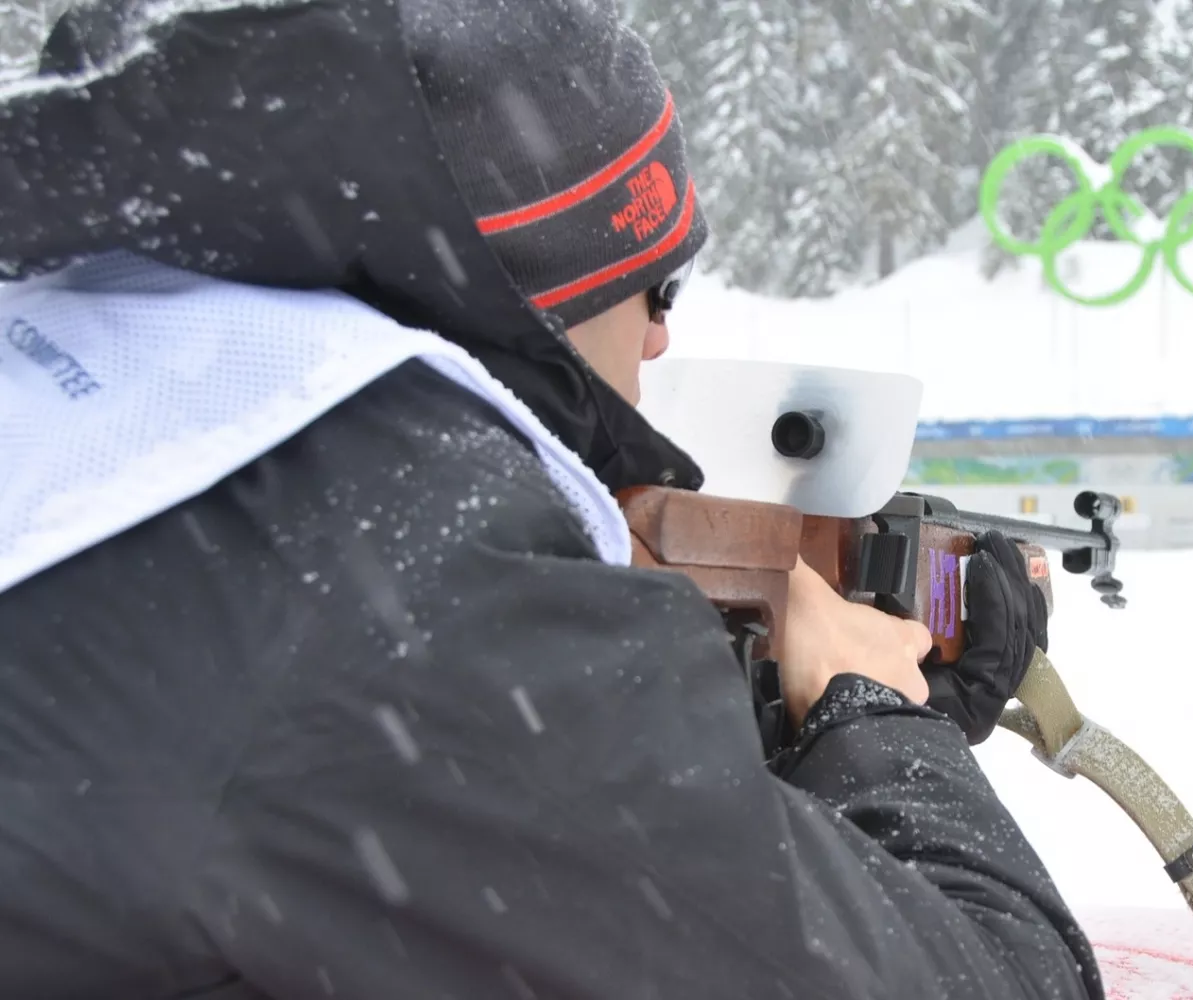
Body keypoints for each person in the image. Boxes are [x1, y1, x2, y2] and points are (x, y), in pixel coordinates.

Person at [0, 0, 1107, 997]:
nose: (665, 333)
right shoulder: (403, 578)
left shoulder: (120, 371)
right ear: (544, 285)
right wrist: (875, 718)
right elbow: (1008, 980)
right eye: (657, 285)